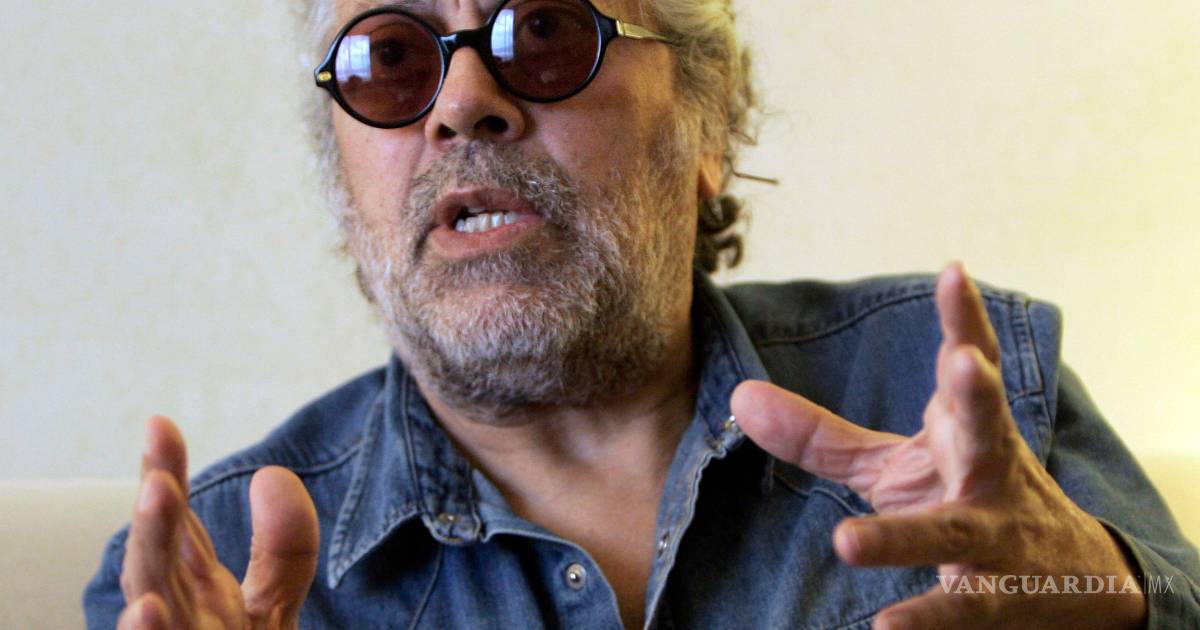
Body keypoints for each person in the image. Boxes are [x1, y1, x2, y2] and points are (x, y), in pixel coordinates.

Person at [84, 0, 1200, 628]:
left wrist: (1092, 591)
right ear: (343, 181)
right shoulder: (198, 571)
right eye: (391, 60)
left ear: (708, 126)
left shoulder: (962, 385)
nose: (463, 102)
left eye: (545, 31)